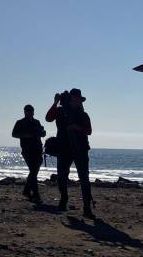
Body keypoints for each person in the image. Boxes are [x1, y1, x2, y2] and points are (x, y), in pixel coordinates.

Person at [46, 88, 94, 218]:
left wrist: (76, 128)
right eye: (74, 99)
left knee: (84, 179)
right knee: (61, 177)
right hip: (64, 148)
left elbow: (89, 131)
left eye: (78, 100)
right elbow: (48, 118)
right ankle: (64, 199)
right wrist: (55, 103)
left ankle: (87, 208)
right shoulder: (61, 111)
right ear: (70, 100)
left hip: (81, 149)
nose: (77, 102)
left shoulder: (83, 115)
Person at [12, 104, 46, 202]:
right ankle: (35, 194)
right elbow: (14, 134)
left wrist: (42, 132)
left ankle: (27, 190)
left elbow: (41, 133)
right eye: (27, 111)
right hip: (27, 150)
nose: (29, 113)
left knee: (34, 171)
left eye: (31, 111)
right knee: (33, 171)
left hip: (38, 149)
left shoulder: (36, 122)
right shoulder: (20, 122)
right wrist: (26, 135)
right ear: (25, 112)